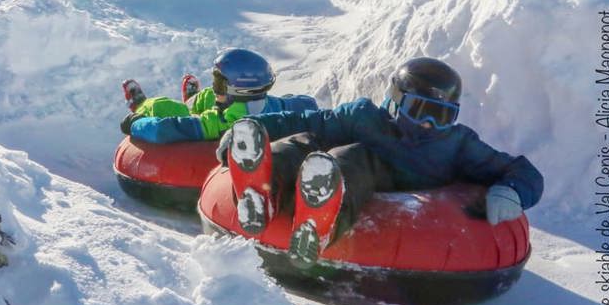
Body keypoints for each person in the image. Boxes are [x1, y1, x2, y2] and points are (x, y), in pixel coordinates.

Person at [217, 57, 545, 265]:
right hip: (336, 160)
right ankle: (259, 191)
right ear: (395, 103)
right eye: (421, 111)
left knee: (350, 158)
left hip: (366, 175)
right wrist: (252, 129)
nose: (430, 123)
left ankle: (318, 226)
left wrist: (512, 190)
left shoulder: (456, 143)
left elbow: (518, 169)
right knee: (304, 142)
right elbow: (306, 121)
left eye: (443, 115)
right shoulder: (363, 117)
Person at [121, 48, 318, 143]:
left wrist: (136, 124)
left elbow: (165, 130)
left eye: (219, 84)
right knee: (208, 96)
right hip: (235, 104)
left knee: (162, 106)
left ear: (239, 90)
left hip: (208, 118)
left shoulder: (223, 123)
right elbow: (307, 103)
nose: (215, 88)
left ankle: (140, 106)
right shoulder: (270, 104)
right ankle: (192, 99)